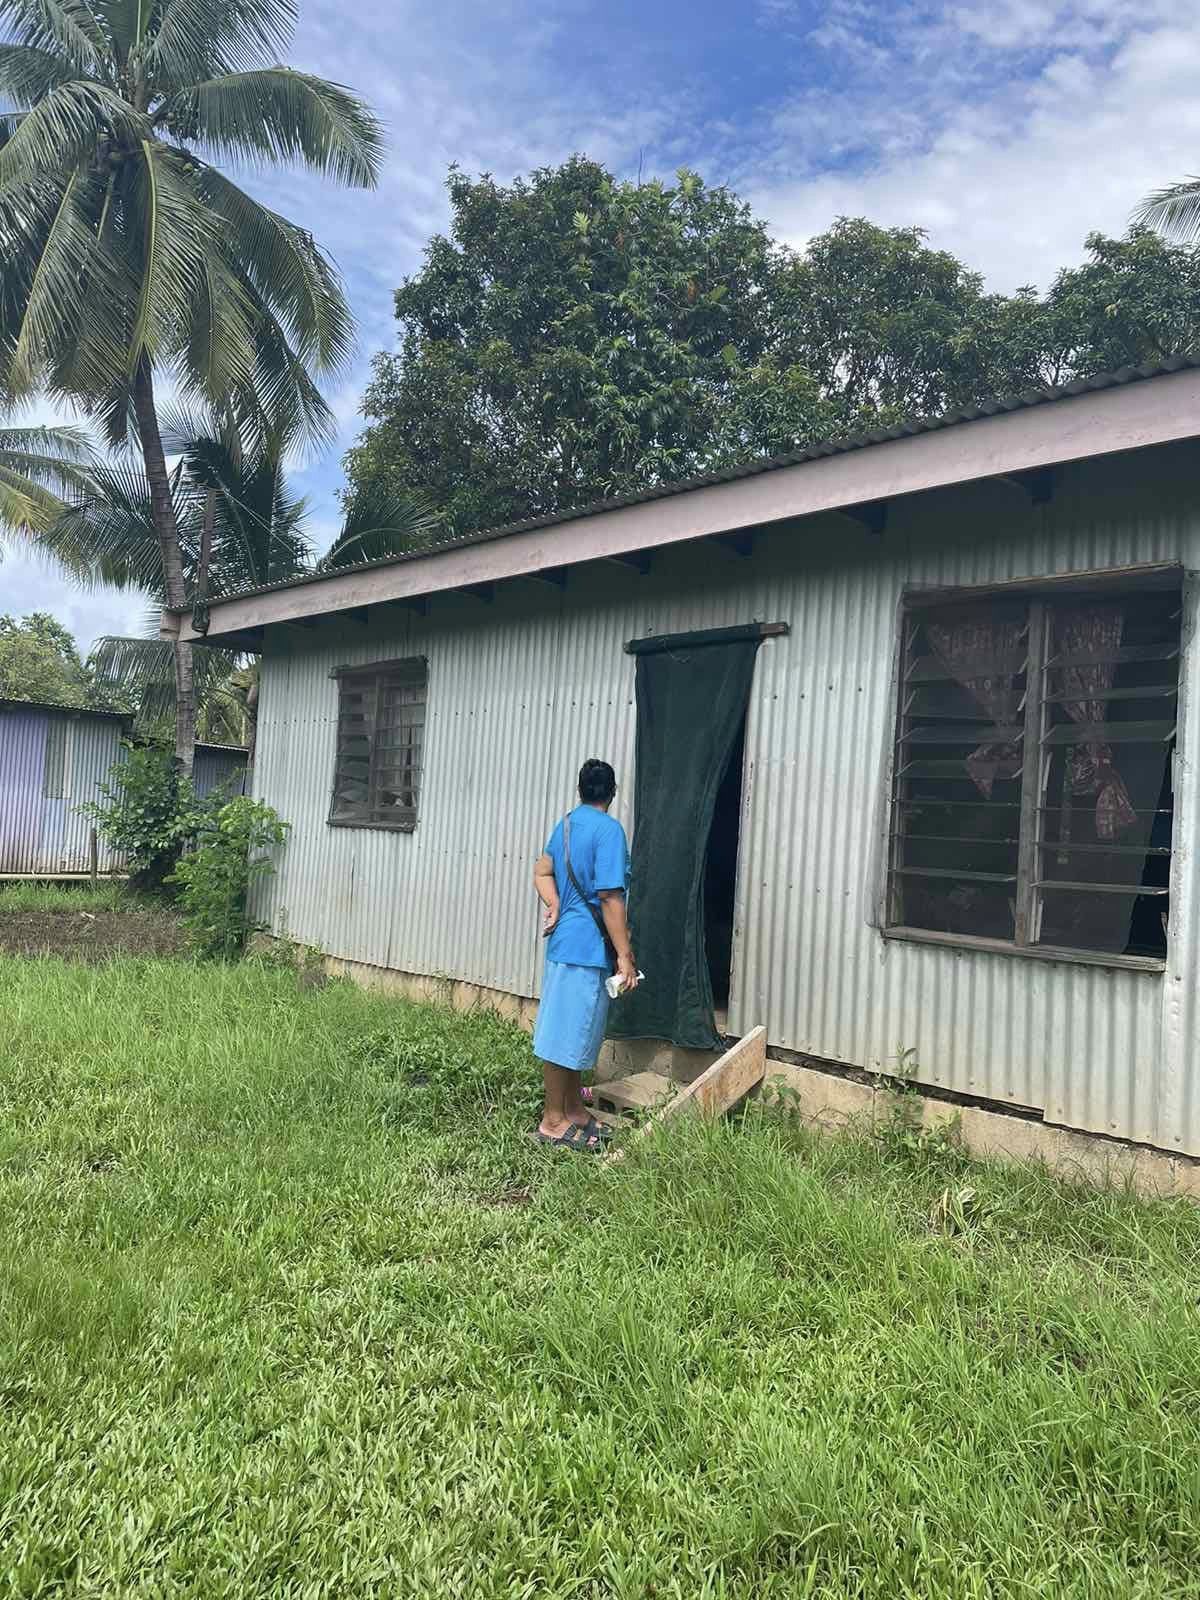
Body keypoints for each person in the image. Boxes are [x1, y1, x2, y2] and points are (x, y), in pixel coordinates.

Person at [532, 758, 638, 1150]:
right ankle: (553, 1121)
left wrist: (555, 902)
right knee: (565, 1036)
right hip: (586, 949)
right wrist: (625, 955)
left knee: (575, 1032)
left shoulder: (565, 827)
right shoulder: (609, 831)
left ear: (581, 790)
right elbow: (610, 896)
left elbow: (541, 871)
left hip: (566, 945)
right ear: (612, 793)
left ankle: (575, 1109)